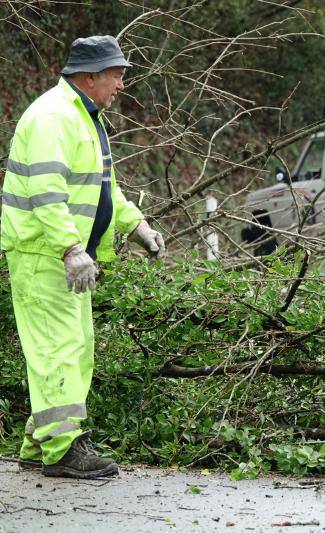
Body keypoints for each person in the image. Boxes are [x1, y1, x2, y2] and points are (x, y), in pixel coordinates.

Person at [1, 35, 166, 478]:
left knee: (76, 347)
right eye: (116, 75)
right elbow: (47, 194)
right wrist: (71, 248)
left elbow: (102, 190)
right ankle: (63, 448)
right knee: (59, 348)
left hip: (61, 255)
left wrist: (137, 227)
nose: (121, 84)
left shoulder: (82, 116)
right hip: (44, 254)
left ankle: (40, 441)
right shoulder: (54, 117)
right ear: (89, 78)